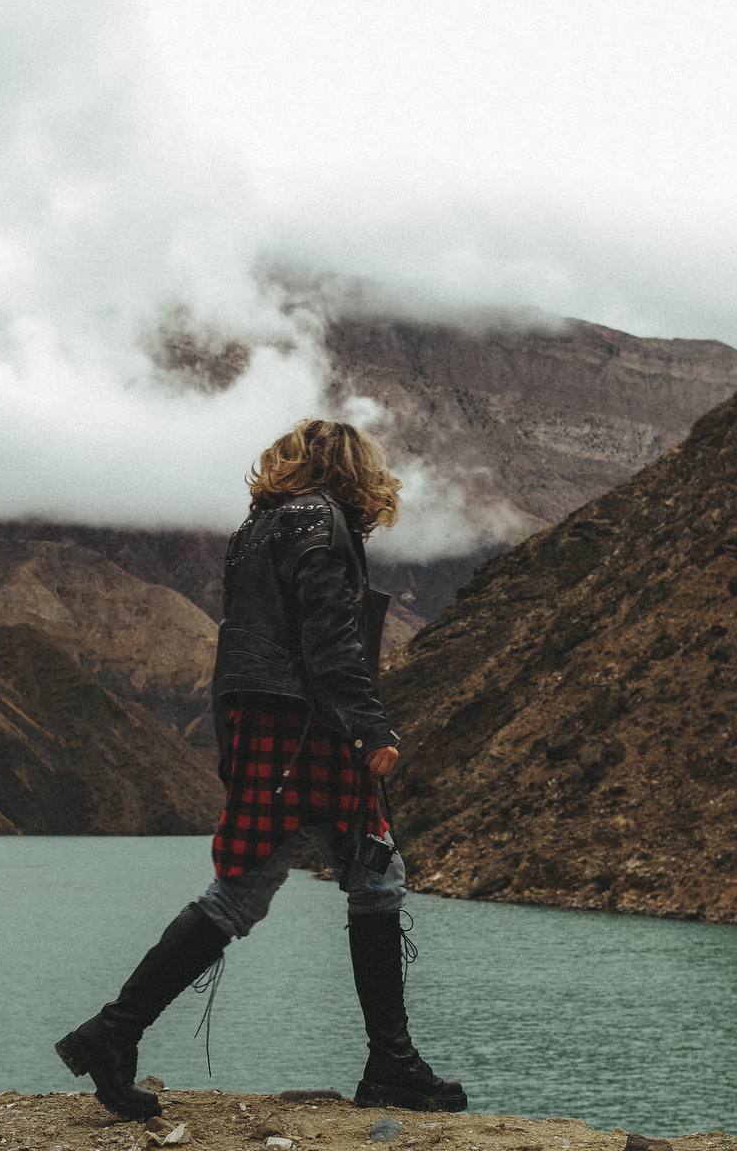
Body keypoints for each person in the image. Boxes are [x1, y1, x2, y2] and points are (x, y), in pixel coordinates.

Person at [54, 418, 468, 1119]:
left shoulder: (259, 527)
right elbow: (329, 634)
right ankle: (388, 1063)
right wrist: (370, 726)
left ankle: (113, 1033)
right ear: (351, 469)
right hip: (309, 723)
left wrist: (232, 742)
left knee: (285, 886)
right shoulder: (320, 521)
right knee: (355, 877)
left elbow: (237, 646)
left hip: (263, 723)